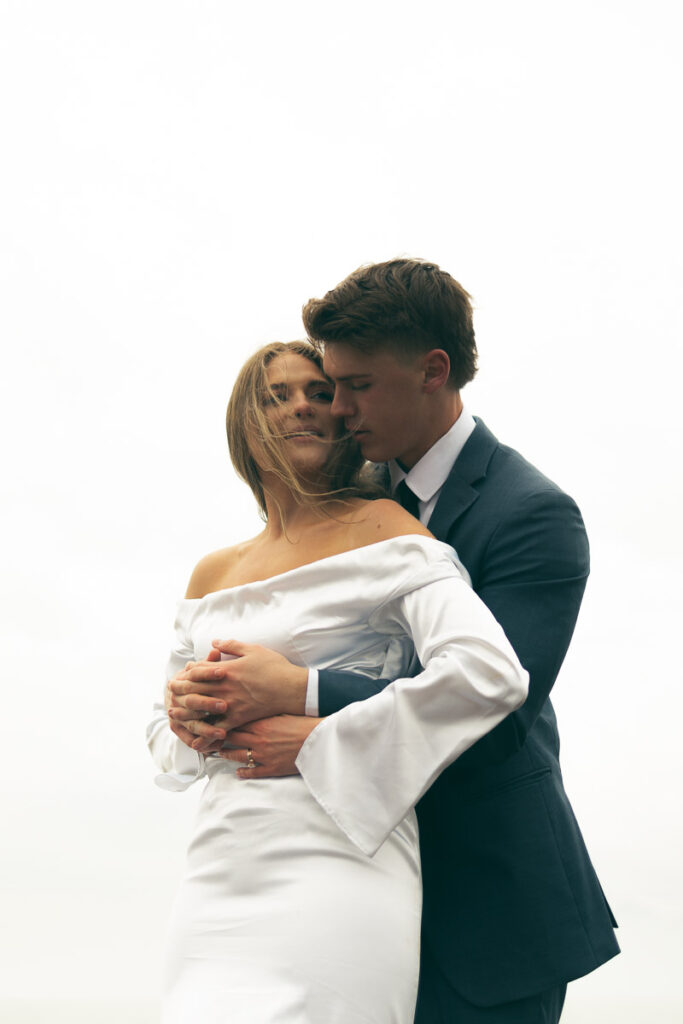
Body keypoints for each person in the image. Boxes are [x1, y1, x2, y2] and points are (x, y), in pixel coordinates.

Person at [169, 261, 620, 1024]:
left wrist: (304, 700)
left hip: (482, 900)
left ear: (432, 372)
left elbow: (498, 709)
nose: (336, 409)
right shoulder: (351, 499)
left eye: (355, 386)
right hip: (324, 879)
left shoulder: (531, 514)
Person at [148, 340, 529, 1024]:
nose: (300, 405)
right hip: (218, 871)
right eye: (275, 394)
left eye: (318, 393)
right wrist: (184, 718)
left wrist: (312, 717)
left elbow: (486, 673)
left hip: (339, 861)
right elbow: (165, 744)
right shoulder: (211, 573)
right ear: (244, 421)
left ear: (342, 418)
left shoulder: (383, 529)